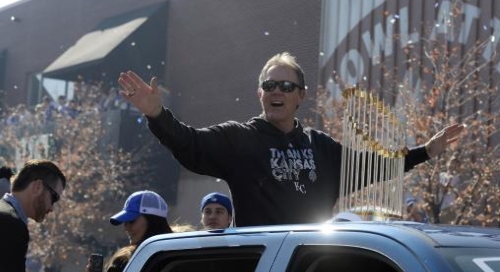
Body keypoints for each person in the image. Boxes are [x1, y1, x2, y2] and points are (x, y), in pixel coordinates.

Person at [117, 52, 464, 226]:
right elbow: (189, 144)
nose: (277, 92)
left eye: (286, 86)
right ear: (260, 93)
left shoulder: (321, 146)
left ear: (301, 95)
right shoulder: (240, 138)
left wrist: (425, 152)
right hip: (262, 270)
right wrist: (156, 115)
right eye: (269, 85)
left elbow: (373, 167)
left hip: (310, 270)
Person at [82, 190, 173, 272]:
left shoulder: (178, 259)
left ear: (153, 220)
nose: (126, 227)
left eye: (131, 221)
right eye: (125, 222)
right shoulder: (120, 264)